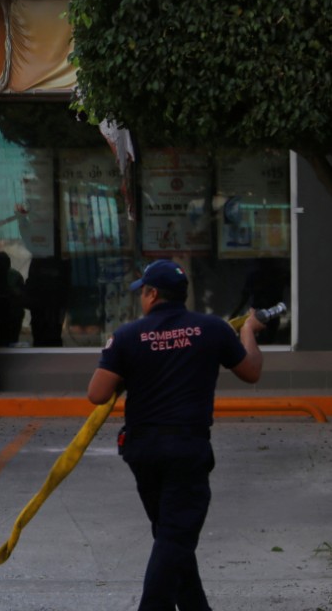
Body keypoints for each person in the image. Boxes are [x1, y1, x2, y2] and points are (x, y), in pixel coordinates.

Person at [86, 260, 264, 611]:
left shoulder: (126, 335)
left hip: (143, 449)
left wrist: (132, 369)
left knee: (170, 534)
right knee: (174, 536)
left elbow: (97, 394)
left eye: (143, 292)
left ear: (152, 295)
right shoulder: (212, 329)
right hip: (187, 447)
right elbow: (252, 372)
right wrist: (249, 332)